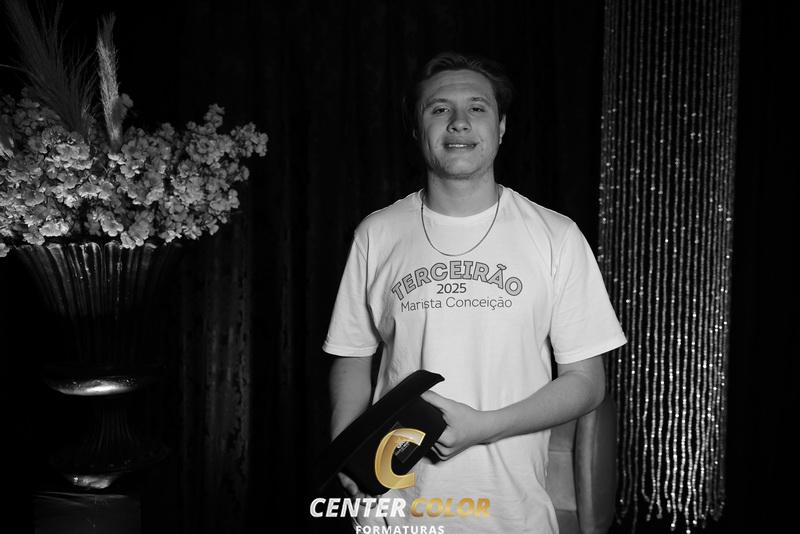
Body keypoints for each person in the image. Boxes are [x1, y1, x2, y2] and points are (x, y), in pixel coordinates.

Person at [322, 51, 627, 533]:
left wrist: (486, 426)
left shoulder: (556, 236)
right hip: (394, 513)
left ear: (501, 127)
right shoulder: (377, 234)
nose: (459, 122)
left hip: (511, 516)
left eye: (477, 108)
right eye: (439, 108)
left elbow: (587, 382)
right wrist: (346, 450)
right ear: (417, 128)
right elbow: (352, 358)